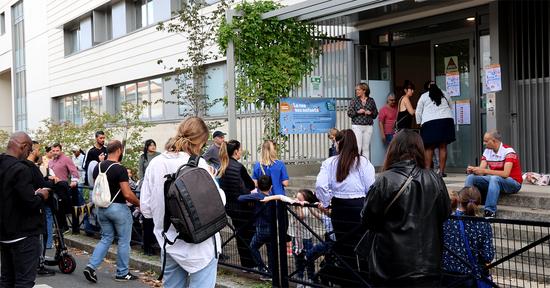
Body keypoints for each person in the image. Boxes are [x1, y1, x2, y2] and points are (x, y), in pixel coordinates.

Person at [140, 117, 226, 288]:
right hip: (201, 246)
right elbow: (219, 202)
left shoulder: (155, 163)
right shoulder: (199, 164)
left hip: (169, 241)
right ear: (201, 141)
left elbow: (146, 209)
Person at [360, 129, 451, 287]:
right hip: (429, 267)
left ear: (394, 149)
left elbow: (367, 219)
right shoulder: (435, 179)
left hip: (392, 268)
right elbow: (444, 213)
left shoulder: (385, 180)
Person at [315, 129, 375, 279]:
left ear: (338, 143)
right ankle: (363, 279)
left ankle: (347, 279)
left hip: (339, 208)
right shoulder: (363, 162)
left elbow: (320, 186)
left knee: (343, 245)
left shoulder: (330, 162)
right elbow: (371, 188)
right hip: (359, 208)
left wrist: (326, 201)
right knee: (361, 245)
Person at [83, 140, 141, 283]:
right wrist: (140, 204)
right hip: (118, 208)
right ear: (119, 151)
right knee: (123, 241)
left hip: (102, 207)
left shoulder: (98, 167)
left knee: (106, 238)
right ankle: (122, 273)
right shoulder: (119, 168)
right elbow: (127, 194)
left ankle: (91, 266)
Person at [0, 132, 50, 288]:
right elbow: (30, 202)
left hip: (4, 234)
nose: (28, 155)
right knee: (24, 281)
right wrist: (41, 195)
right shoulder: (21, 169)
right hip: (24, 235)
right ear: (23, 146)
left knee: (6, 279)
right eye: (29, 151)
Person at [442, 186, 495, 287]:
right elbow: (488, 256)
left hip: (447, 274)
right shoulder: (483, 224)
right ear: (478, 202)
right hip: (471, 276)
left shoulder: (446, 220)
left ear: (459, 200)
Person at [218, 139, 256, 270]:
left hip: (231, 207)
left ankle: (246, 263)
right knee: (250, 235)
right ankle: (252, 263)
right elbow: (250, 185)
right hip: (244, 207)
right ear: (235, 151)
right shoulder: (238, 167)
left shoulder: (223, 166)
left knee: (240, 235)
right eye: (240, 149)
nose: (241, 152)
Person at [466, 130, 523, 218]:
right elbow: (481, 171)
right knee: (471, 178)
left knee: (494, 178)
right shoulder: (487, 151)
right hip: (496, 181)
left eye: (486, 141)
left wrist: (484, 171)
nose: (484, 143)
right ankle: (466, 206)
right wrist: (474, 170)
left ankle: (489, 211)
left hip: (514, 183)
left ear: (494, 141)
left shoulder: (508, 151)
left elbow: (505, 174)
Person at [26, 141, 56, 276]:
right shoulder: (31, 167)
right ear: (32, 151)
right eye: (38, 150)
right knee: (41, 235)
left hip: (28, 206)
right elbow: (41, 183)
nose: (39, 153)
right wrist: (53, 182)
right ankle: (40, 265)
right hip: (37, 205)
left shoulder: (22, 166)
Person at [416, 83, 455, 177]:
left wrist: (419, 123)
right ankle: (441, 172)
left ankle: (428, 172)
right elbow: (451, 106)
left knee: (429, 148)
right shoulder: (445, 94)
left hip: (430, 123)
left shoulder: (424, 96)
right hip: (446, 121)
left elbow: (418, 111)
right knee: (443, 147)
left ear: (428, 89)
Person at [48, 143, 81, 234]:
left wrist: (74, 180)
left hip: (63, 187)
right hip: (53, 188)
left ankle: (66, 227)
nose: (55, 152)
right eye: (53, 151)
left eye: (57, 150)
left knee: (62, 207)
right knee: (55, 207)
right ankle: (61, 227)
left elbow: (74, 171)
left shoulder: (66, 159)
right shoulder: (50, 161)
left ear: (61, 150)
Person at [137, 139, 160, 256]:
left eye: (154, 144)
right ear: (147, 146)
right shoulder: (143, 157)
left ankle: (155, 243)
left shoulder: (159, 156)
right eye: (151, 145)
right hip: (146, 186)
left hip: (157, 186)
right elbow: (140, 172)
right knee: (147, 218)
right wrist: (142, 184)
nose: (153, 146)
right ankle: (147, 246)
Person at [347, 83, 378, 158]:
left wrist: (370, 113)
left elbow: (375, 113)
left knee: (366, 148)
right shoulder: (354, 100)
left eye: (358, 90)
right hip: (357, 126)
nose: (356, 91)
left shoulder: (371, 100)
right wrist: (358, 112)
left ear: (364, 90)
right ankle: (356, 165)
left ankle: (365, 166)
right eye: (356, 90)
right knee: (358, 147)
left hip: (368, 126)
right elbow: (349, 113)